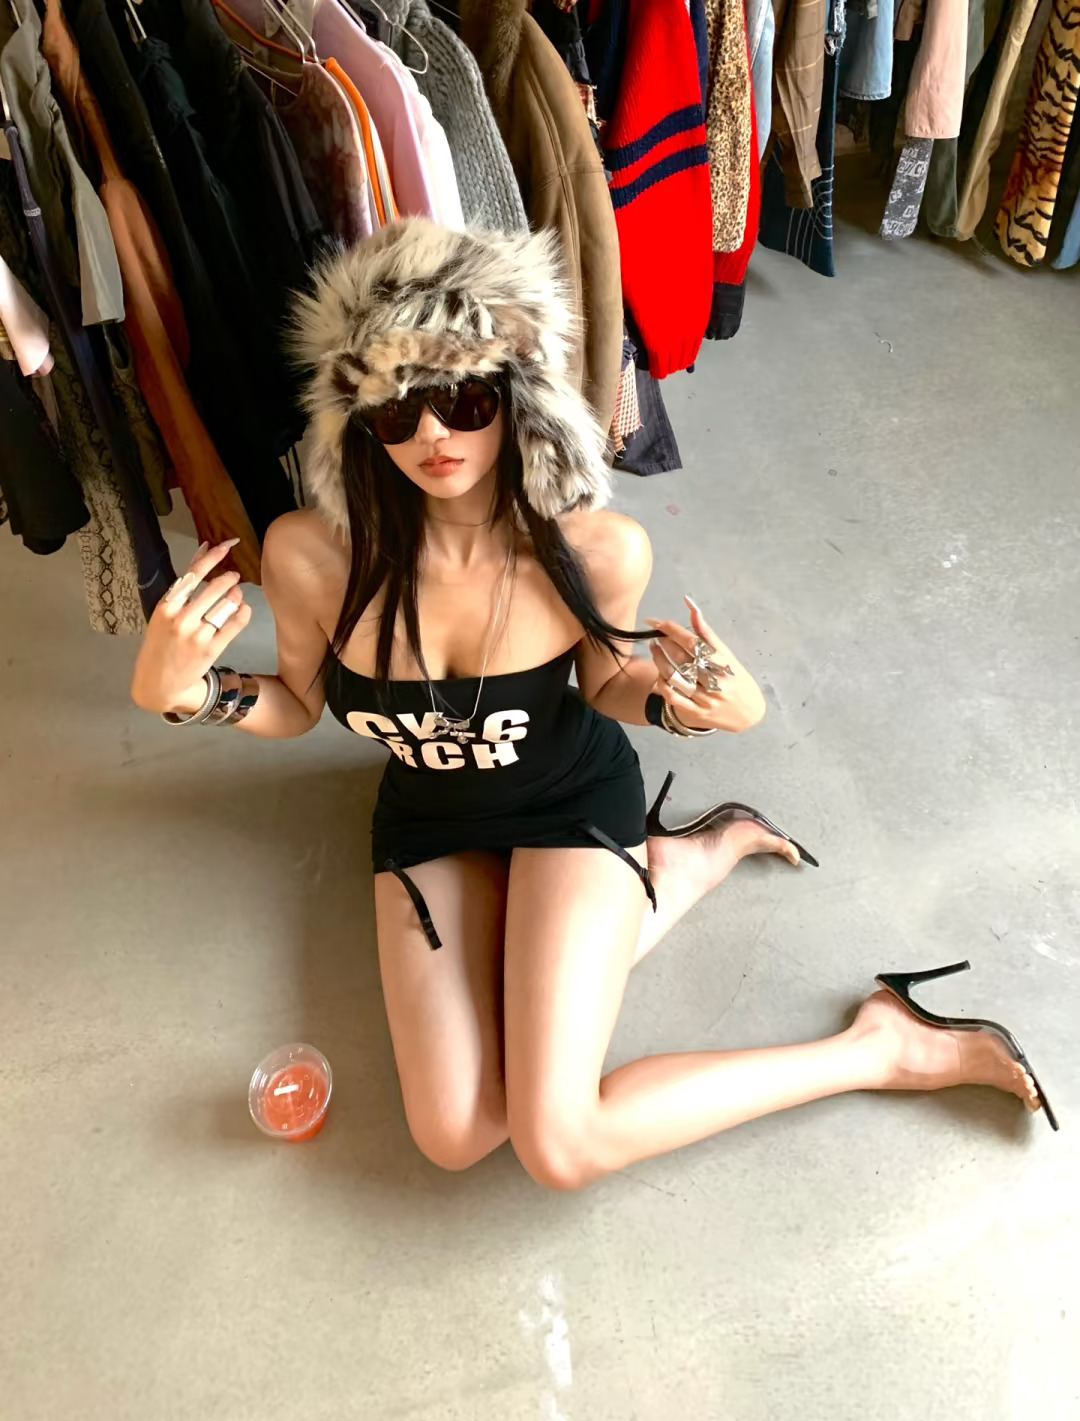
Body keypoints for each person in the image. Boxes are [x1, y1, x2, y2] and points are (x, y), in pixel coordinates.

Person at [130, 220, 1054, 1187]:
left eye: (461, 397)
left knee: (559, 1143)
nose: (433, 435)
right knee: (455, 1135)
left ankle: (880, 1045)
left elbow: (610, 684)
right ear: (359, 422)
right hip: (429, 820)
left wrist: (696, 707)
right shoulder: (313, 555)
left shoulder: (594, 550)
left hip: (568, 803)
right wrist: (189, 693)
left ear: (517, 398)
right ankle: (679, 867)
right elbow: (297, 702)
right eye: (397, 411)